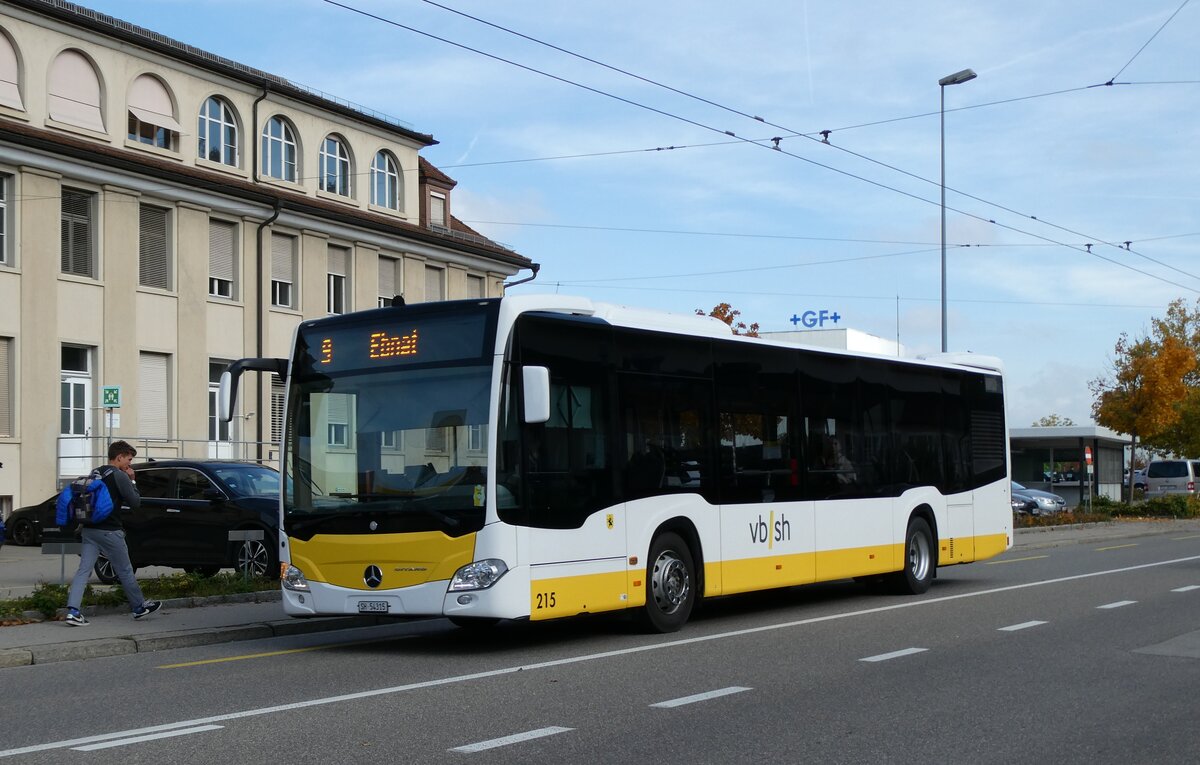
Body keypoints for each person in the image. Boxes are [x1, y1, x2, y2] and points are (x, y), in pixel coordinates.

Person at [64, 440, 161, 626]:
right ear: (120, 457)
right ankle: (139, 607)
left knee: (83, 570)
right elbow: (135, 502)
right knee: (125, 570)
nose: (130, 464)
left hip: (89, 530)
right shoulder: (120, 476)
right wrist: (132, 480)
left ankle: (73, 612)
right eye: (129, 459)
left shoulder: (95, 472)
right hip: (110, 531)